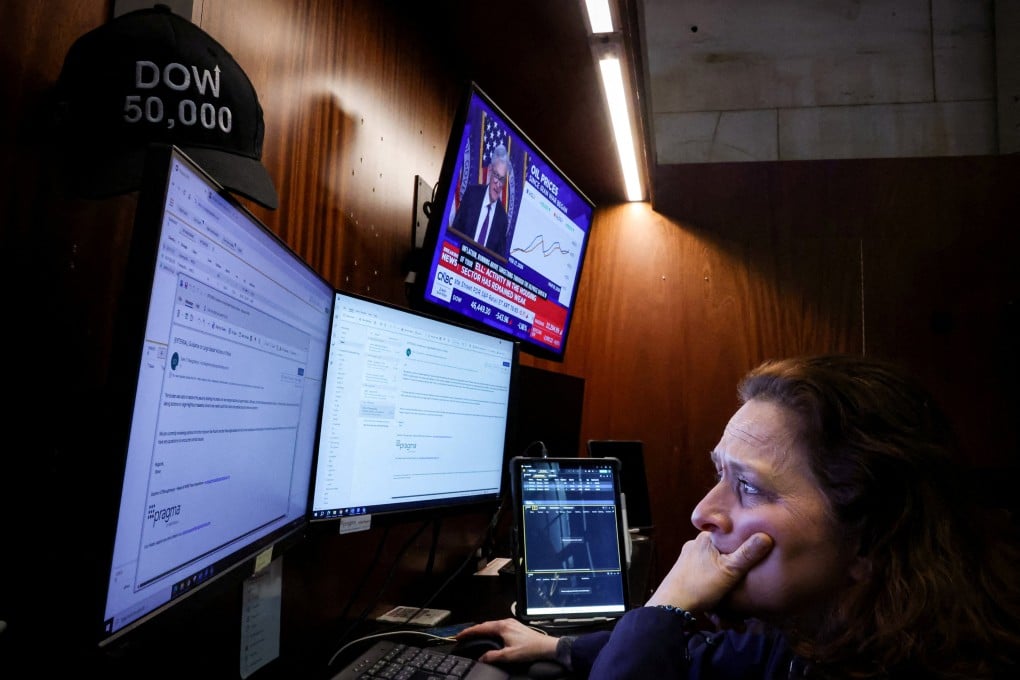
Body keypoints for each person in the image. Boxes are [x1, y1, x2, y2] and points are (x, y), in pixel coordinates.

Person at [457, 354, 1020, 679]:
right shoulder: (826, 634)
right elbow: (717, 658)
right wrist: (558, 646)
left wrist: (667, 606)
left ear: (870, 539)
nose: (704, 512)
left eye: (747, 487)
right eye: (719, 473)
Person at [450, 143, 511, 258]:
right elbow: (455, 233)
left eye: (502, 179)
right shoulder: (471, 195)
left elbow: (498, 261)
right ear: (490, 171)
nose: (498, 184)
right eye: (496, 176)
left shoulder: (502, 219)